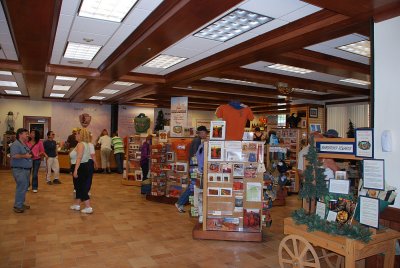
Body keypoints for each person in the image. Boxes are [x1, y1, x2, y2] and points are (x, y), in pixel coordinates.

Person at [175, 126, 208, 213]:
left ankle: (186, 206)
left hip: (195, 167)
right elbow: (195, 156)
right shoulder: (197, 141)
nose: (206, 135)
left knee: (194, 187)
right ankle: (180, 203)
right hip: (196, 168)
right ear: (201, 133)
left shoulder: (197, 141)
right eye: (205, 133)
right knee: (193, 187)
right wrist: (197, 168)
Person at [69, 128, 93, 214]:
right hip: (83, 166)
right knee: (78, 187)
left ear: (80, 135)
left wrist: (75, 170)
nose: (75, 135)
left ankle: (88, 207)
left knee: (82, 187)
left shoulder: (80, 145)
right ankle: (77, 204)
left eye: (76, 134)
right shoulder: (84, 144)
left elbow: (79, 158)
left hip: (80, 167)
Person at [10, 128, 32, 213]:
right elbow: (14, 155)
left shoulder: (24, 144)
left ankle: (21, 203)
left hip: (25, 169)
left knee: (24, 187)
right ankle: (17, 206)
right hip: (19, 170)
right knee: (21, 187)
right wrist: (25, 156)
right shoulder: (15, 144)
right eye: (26, 134)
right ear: (20, 134)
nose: (27, 135)